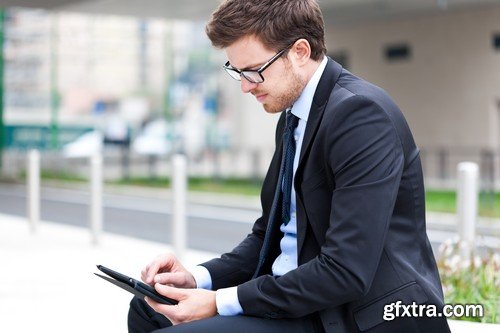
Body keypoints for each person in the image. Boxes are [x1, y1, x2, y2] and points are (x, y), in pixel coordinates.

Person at [128, 1, 451, 332]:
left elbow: (345, 270)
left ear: (299, 51)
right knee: (146, 308)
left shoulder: (361, 116)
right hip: (295, 299)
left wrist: (217, 302)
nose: (245, 85)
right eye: (237, 71)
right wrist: (196, 277)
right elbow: (268, 235)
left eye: (254, 70)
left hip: (352, 314)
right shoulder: (294, 116)